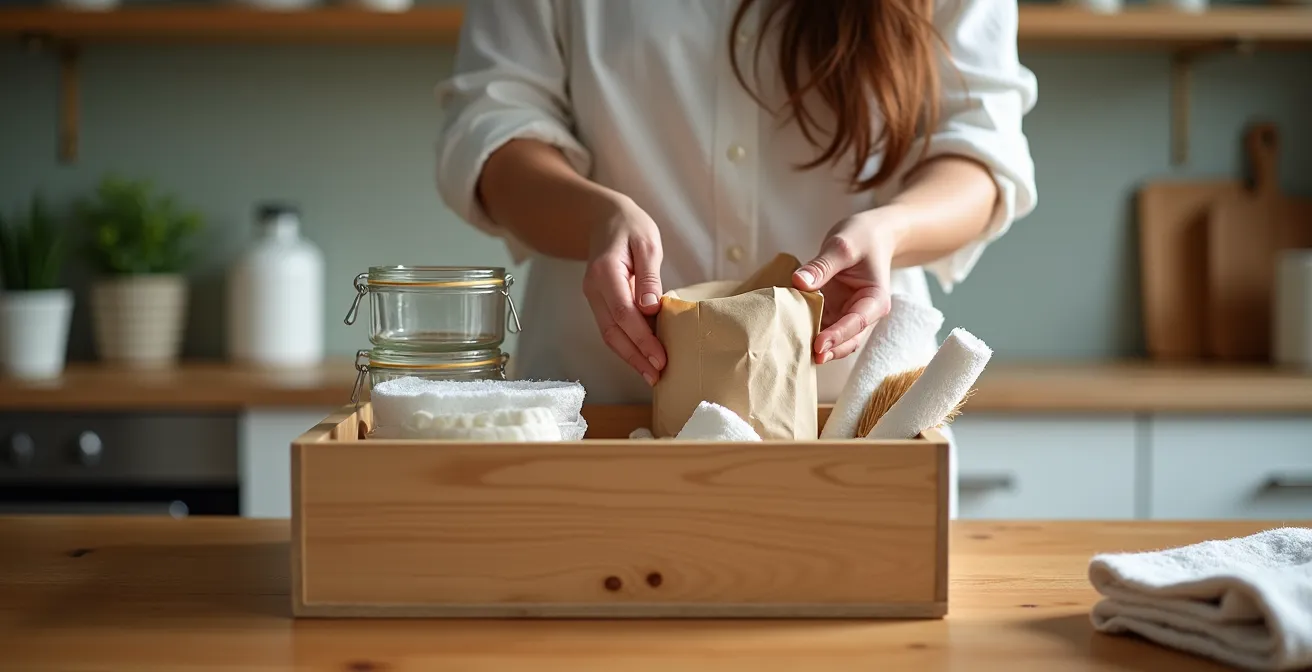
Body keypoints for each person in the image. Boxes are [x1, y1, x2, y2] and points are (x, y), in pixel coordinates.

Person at [434, 1, 1036, 472]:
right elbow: (494, 126)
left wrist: (891, 228)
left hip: (852, 428)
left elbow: (981, 148)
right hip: (601, 407)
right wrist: (595, 219)